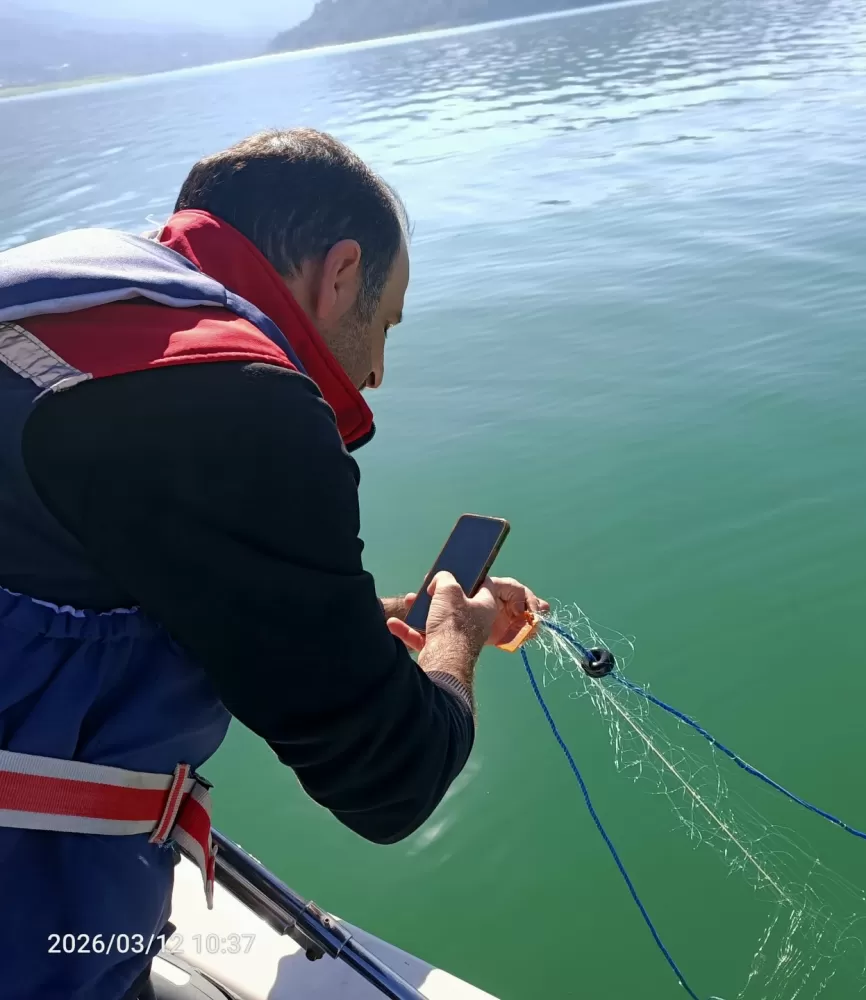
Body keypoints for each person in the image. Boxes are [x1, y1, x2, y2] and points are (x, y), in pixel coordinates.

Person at [0, 127, 547, 1000]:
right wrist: (455, 639)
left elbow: (80, 560)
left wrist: (361, 629)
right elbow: (391, 778)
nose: (374, 371)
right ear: (339, 274)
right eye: (386, 322)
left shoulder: (65, 292)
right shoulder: (236, 400)